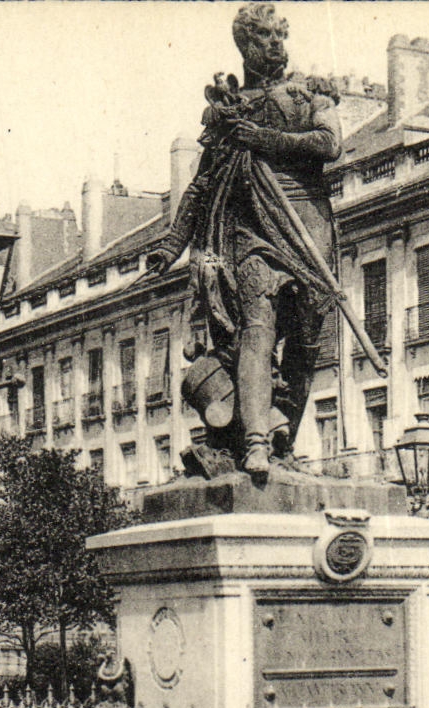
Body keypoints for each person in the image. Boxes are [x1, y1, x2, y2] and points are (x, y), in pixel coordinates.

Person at [142, 2, 342, 478]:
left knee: (306, 342)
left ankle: (282, 440)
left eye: (279, 36)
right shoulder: (225, 114)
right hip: (249, 230)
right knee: (258, 325)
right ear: (244, 45)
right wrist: (170, 246)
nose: (274, 44)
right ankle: (254, 444)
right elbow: (201, 185)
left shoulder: (309, 92)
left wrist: (264, 138)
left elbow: (329, 144)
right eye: (263, 37)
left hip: (305, 222)